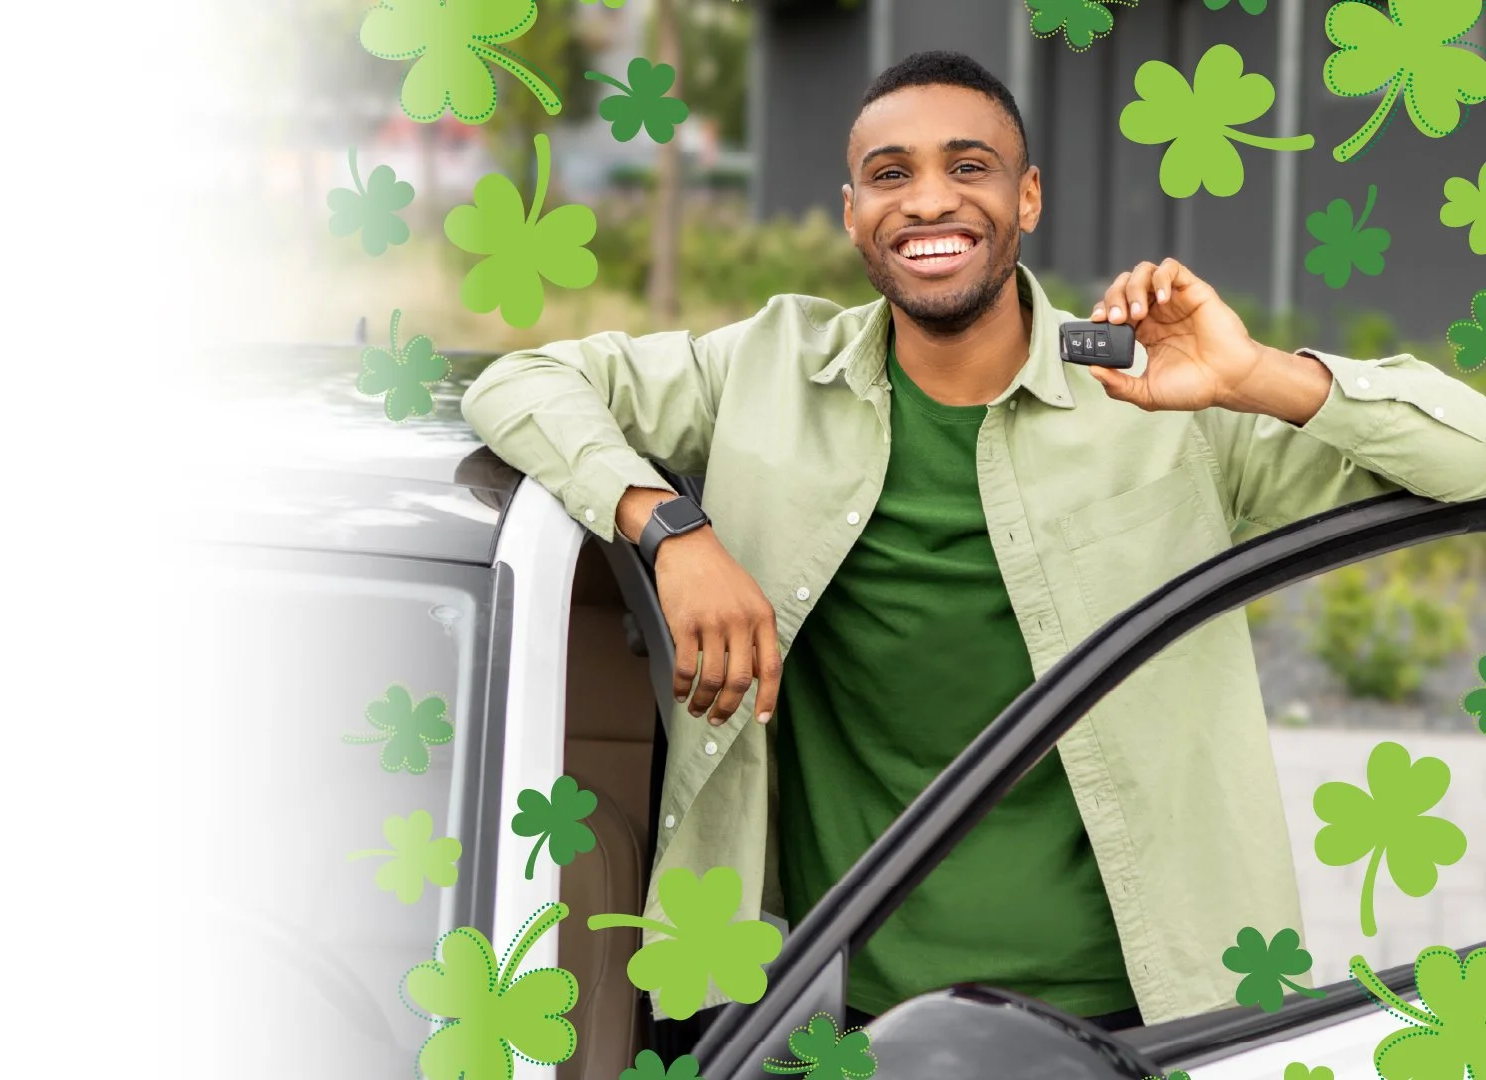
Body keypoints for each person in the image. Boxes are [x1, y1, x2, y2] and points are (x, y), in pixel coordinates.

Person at [459, 49, 1486, 1031]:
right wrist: (671, 531)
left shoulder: (1155, 395)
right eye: (889, 174)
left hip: (1144, 1011)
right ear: (853, 213)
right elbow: (520, 382)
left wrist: (1256, 375)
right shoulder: (766, 368)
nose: (929, 201)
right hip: (833, 1007)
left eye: (969, 167)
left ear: (1027, 198)